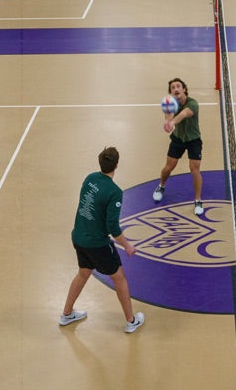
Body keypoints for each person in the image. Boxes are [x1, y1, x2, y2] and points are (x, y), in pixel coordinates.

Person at [61, 147, 147, 333]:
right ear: (116, 165)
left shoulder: (90, 178)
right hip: (97, 244)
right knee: (120, 278)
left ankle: (67, 314)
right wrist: (127, 246)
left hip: (79, 237)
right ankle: (131, 321)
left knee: (83, 273)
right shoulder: (114, 192)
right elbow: (112, 227)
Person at [153, 78, 204, 215]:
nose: (175, 89)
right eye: (173, 87)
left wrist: (173, 122)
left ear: (184, 89)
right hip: (177, 139)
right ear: (171, 92)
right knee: (169, 167)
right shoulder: (170, 104)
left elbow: (184, 114)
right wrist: (167, 122)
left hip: (194, 140)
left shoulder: (193, 104)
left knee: (194, 169)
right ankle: (161, 186)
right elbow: (168, 116)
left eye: (178, 86)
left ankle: (198, 200)